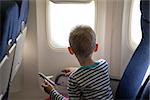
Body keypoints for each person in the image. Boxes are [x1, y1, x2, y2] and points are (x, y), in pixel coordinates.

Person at [42, 25, 113, 100]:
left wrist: (51, 91)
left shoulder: (74, 78)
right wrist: (76, 71)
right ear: (96, 47)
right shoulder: (104, 64)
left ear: (70, 50)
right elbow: (91, 72)